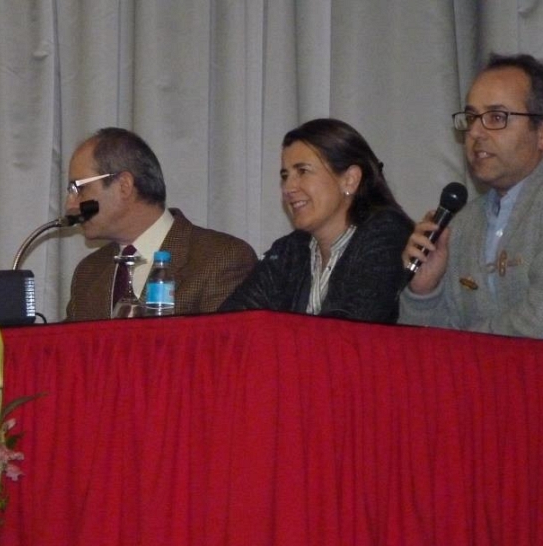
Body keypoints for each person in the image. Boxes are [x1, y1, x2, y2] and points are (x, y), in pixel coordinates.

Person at [400, 53, 543, 338]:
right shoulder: (460, 226)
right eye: (471, 117)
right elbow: (425, 347)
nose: (476, 131)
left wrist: (469, 348)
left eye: (496, 117)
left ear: (540, 132)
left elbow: (538, 321)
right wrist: (424, 292)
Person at [220, 118, 414, 323]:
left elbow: (350, 332)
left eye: (302, 171)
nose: (288, 188)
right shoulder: (289, 250)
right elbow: (229, 323)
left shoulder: (387, 236)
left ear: (350, 179)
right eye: (285, 176)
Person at [65, 127, 257, 320]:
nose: (70, 205)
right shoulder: (89, 271)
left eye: (79, 188)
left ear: (124, 186)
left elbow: (225, 346)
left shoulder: (220, 258)